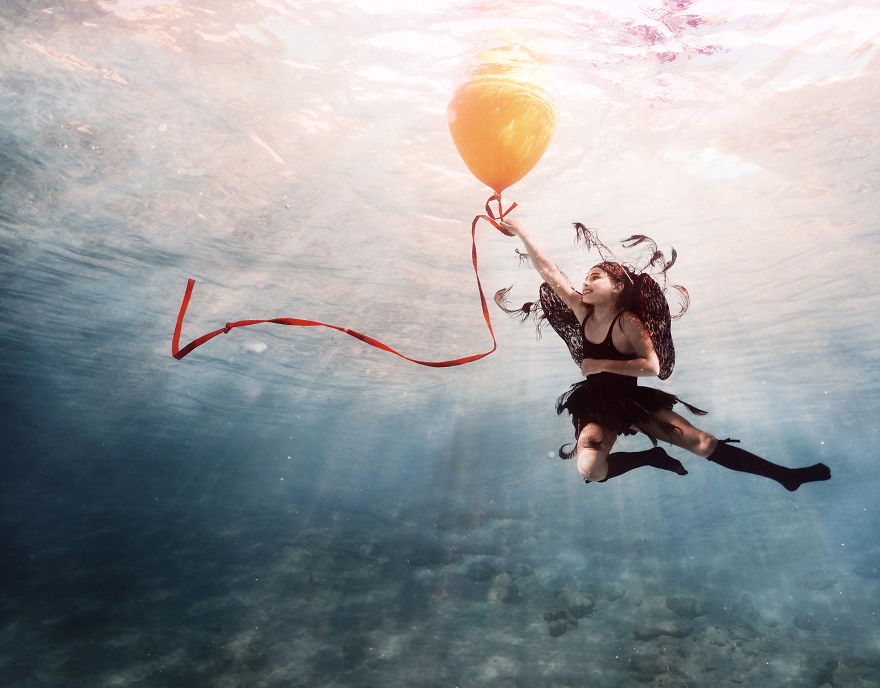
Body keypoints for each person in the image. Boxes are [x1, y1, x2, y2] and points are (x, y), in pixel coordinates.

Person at [496, 217, 831, 491]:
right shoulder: (584, 313)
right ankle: (649, 458)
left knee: (701, 442)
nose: (584, 283)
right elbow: (550, 274)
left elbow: (652, 366)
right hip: (595, 404)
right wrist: (523, 233)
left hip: (633, 401)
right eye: (584, 278)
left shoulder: (627, 322)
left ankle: (786, 476)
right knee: (590, 467)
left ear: (617, 287)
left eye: (594, 277)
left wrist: (599, 362)